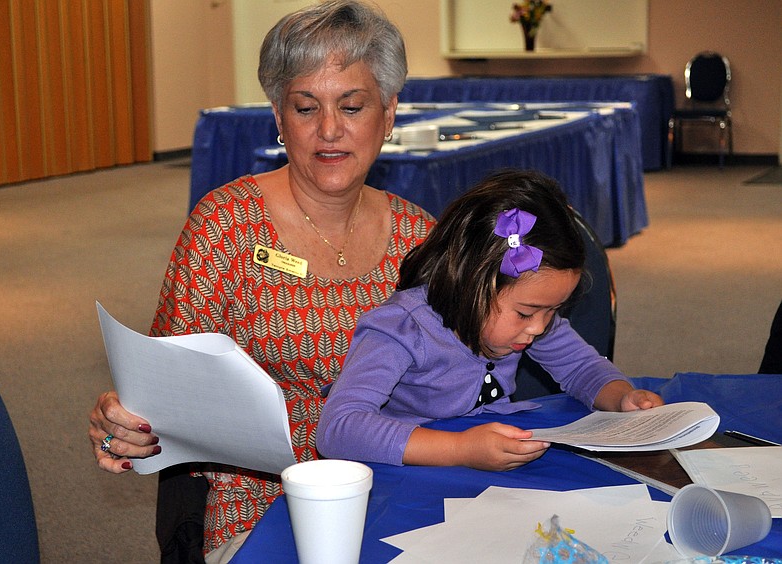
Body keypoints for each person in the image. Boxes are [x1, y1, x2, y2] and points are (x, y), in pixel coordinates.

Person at [87, 1, 435, 562]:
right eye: (305, 107)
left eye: (351, 106)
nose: (329, 130)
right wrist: (126, 424)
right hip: (265, 503)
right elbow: (164, 391)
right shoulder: (226, 227)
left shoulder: (422, 238)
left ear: (389, 114)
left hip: (407, 483)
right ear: (278, 116)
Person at [316, 169, 664, 470]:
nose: (539, 328)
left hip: (483, 472)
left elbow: (582, 368)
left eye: (551, 311)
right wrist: (461, 450)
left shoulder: (529, 321)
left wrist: (621, 398)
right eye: (526, 313)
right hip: (405, 476)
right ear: (472, 282)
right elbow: (339, 429)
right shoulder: (402, 329)